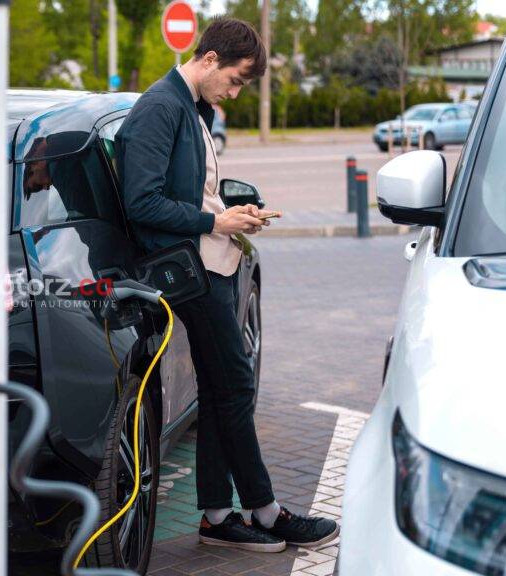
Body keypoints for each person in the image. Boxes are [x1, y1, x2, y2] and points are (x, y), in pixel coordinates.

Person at [115, 17, 339, 552]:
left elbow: (192, 194)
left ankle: (219, 516)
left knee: (222, 391)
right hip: (190, 272)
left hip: (208, 265)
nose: (235, 93)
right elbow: (140, 202)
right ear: (210, 59)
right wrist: (217, 222)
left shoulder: (190, 107)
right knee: (235, 387)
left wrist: (233, 215)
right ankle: (265, 511)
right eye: (235, 80)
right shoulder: (162, 107)